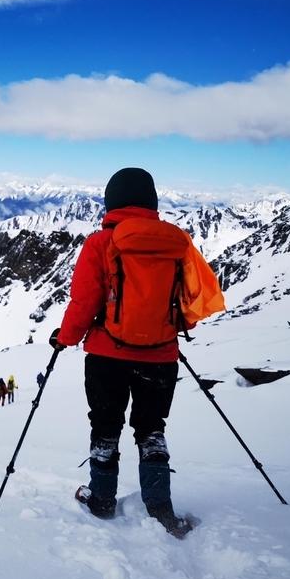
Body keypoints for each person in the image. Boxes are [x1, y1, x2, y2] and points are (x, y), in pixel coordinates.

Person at [52, 167, 223, 537]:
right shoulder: (177, 245)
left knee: (105, 427)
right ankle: (161, 508)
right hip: (160, 357)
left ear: (111, 200)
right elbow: (187, 303)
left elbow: (83, 302)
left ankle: (101, 499)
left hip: (106, 357)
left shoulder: (100, 244)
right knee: (151, 430)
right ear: (152, 201)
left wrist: (64, 338)